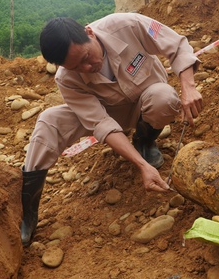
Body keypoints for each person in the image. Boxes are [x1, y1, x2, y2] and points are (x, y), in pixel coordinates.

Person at [20, 13, 203, 246]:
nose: (88, 67)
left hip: (145, 101)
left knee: (164, 98)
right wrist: (142, 166)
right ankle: (27, 213)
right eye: (77, 67)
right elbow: (102, 125)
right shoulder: (66, 78)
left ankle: (145, 140)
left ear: (89, 32)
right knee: (49, 119)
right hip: (110, 112)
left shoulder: (127, 25)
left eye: (86, 57)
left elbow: (176, 45)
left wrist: (188, 88)